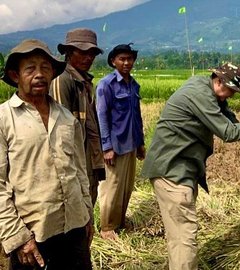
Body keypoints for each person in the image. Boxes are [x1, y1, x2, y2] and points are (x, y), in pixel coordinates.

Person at [141, 62, 240, 269]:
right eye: (231, 90)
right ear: (218, 81)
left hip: (180, 170)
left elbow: (230, 121)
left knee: (179, 236)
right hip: (172, 173)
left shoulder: (206, 87)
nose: (232, 96)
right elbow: (228, 132)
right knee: (184, 238)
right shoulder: (200, 94)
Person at [0, 39, 93, 269]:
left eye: (45, 68)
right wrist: (17, 237)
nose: (39, 74)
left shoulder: (66, 119)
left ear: (52, 73)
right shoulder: (3, 120)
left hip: (75, 228)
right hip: (32, 236)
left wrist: (88, 216)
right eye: (30, 68)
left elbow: (80, 172)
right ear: (15, 75)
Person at [50, 28, 106, 206]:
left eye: (92, 53)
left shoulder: (84, 82)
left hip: (89, 158)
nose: (88, 58)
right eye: (82, 52)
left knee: (87, 207)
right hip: (75, 163)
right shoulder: (63, 80)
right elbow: (60, 131)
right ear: (68, 52)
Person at [96, 43, 145, 241]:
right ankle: (107, 227)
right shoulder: (106, 84)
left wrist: (140, 143)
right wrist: (106, 146)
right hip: (115, 146)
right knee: (111, 187)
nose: (126, 62)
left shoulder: (133, 85)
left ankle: (120, 221)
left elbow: (137, 115)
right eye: (122, 59)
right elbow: (101, 116)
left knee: (126, 186)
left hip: (131, 143)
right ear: (113, 62)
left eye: (129, 59)